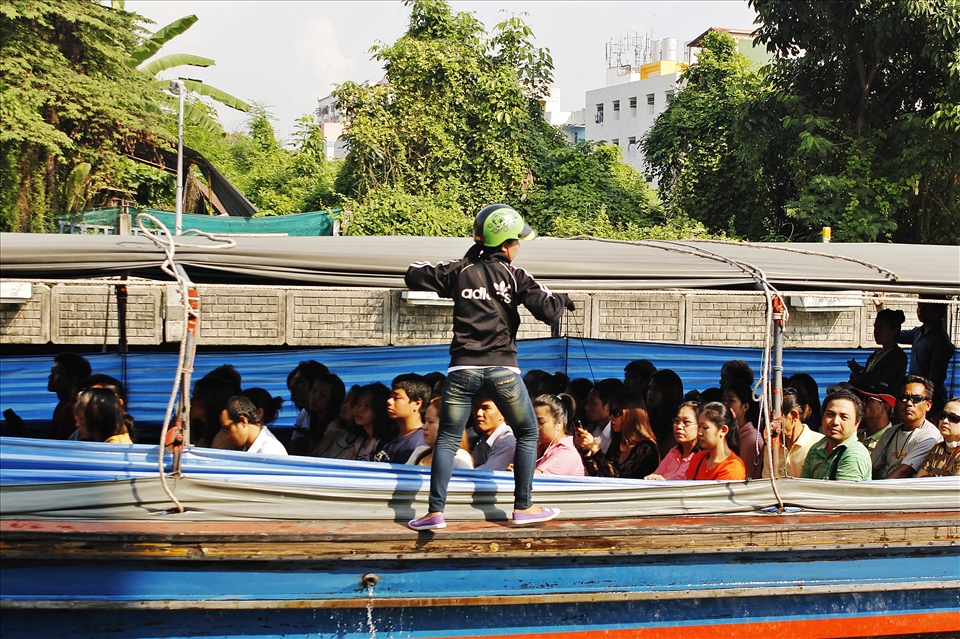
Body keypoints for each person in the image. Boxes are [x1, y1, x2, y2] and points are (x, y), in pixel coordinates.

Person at [405, 204, 571, 530]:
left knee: (449, 439)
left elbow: (414, 272)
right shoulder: (516, 275)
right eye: (517, 241)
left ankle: (434, 512)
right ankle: (523, 507)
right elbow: (549, 311)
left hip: (461, 370)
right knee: (527, 432)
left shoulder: (460, 270)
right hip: (503, 370)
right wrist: (563, 300)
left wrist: (469, 258)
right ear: (507, 245)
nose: (519, 246)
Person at [871, 376, 943, 479]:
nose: (909, 403)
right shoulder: (890, 433)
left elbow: (903, 472)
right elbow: (871, 468)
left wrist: (877, 492)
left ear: (928, 405)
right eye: (903, 398)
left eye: (916, 399)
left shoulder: (930, 436)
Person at [577, 393, 660, 479]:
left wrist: (596, 449)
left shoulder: (646, 448)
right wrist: (587, 451)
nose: (611, 417)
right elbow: (599, 473)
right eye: (611, 412)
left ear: (631, 415)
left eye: (616, 413)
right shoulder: (618, 443)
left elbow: (618, 477)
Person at [898, 299, 956, 411]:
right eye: (919, 306)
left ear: (939, 311)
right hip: (915, 394)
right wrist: (880, 307)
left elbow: (935, 379)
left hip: (927, 399)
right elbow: (896, 335)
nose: (920, 310)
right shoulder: (918, 332)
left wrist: (926, 400)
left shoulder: (940, 341)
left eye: (927, 307)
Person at [801, 390, 872, 481]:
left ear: (856, 424)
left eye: (844, 417)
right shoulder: (816, 449)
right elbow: (804, 487)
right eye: (830, 415)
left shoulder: (854, 453)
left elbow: (841, 493)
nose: (835, 422)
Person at [317, 383, 395, 461]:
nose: (359, 409)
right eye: (358, 403)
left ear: (380, 409)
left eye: (367, 405)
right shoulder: (360, 441)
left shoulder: (384, 443)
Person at [762, 387, 824, 478]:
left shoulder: (819, 444)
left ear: (794, 416)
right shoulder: (771, 446)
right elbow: (767, 482)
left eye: (776, 419)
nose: (771, 424)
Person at [847, 309, 908, 395]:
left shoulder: (898, 357)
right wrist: (858, 371)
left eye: (881, 328)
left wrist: (859, 376)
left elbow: (873, 380)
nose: (876, 332)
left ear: (894, 331)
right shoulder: (875, 355)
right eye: (875, 327)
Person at [377, 374, 431, 464]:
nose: (389, 401)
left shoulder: (419, 444)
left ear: (417, 404)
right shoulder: (390, 435)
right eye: (390, 396)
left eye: (396, 398)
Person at [407, 397, 474, 469]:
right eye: (425, 421)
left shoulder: (459, 457)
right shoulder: (419, 452)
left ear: (448, 425)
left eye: (430, 421)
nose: (424, 427)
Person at [685, 402, 746, 480]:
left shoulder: (733, 467)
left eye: (705, 427)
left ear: (723, 430)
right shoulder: (697, 458)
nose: (699, 432)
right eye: (699, 426)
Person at [531, 394, 584, 476]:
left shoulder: (566, 454)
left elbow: (537, 478)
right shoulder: (539, 446)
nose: (535, 427)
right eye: (533, 421)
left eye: (541, 422)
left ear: (559, 424)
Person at [646, 401, 700, 480]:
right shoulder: (674, 452)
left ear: (700, 426)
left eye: (686, 422)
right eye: (677, 421)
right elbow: (656, 475)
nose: (679, 426)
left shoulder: (702, 458)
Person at [218, 395, 288, 456]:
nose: (227, 436)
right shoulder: (249, 447)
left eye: (227, 429)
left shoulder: (269, 451)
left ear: (243, 421)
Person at [286, 360, 330, 455]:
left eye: (300, 382)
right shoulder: (304, 414)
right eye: (294, 381)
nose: (293, 386)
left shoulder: (332, 424)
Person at [721, 382, 764, 479]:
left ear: (745, 407)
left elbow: (745, 476)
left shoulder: (751, 439)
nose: (725, 405)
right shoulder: (729, 432)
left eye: (730, 400)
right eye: (723, 400)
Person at [916, 397, 960, 477]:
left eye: (953, 418)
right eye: (943, 415)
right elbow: (919, 480)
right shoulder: (937, 448)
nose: (945, 421)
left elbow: (954, 486)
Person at [580, 378, 624, 457]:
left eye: (592, 403)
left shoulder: (619, 437)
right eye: (587, 402)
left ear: (609, 406)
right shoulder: (595, 431)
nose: (586, 407)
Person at [471, 396, 517, 471]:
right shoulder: (483, 440)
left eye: (486, 408)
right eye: (476, 407)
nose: (478, 413)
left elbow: (485, 474)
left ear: (502, 414)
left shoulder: (507, 441)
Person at [646, 369, 683, 458]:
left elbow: (662, 454)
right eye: (649, 388)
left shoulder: (676, 420)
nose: (650, 393)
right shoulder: (651, 416)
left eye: (657, 389)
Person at [852, 387, 896, 453]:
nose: (862, 403)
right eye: (860, 398)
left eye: (867, 399)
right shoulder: (855, 435)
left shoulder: (893, 440)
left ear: (884, 408)